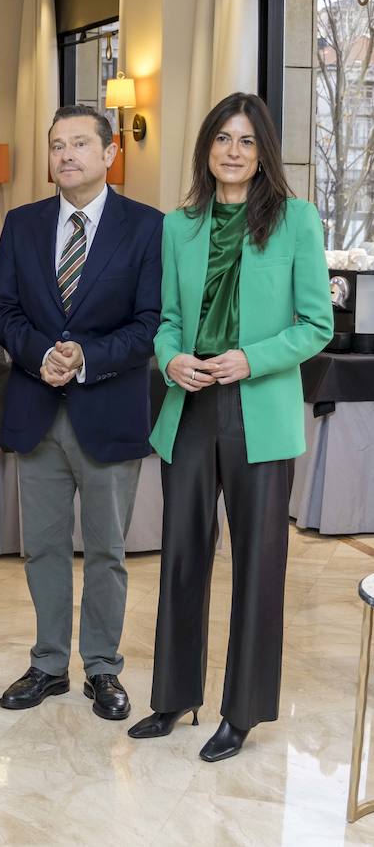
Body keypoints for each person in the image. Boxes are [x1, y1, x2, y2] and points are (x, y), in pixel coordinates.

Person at [129, 93, 332, 761]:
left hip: (260, 414)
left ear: (262, 150)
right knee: (182, 555)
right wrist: (172, 357)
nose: (233, 151)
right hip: (189, 409)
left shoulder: (296, 220)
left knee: (258, 566)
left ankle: (241, 712)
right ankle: (174, 695)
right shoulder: (179, 224)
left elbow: (315, 324)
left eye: (246, 140)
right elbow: (165, 321)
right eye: (222, 138)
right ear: (207, 148)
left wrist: (253, 358)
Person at [0, 105, 162, 721]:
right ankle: (48, 664)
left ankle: (104, 670)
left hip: (108, 408)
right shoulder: (23, 223)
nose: (66, 156)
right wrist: (40, 356)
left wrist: (86, 356)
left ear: (111, 153)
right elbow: (1, 307)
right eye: (56, 146)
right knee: (43, 547)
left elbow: (150, 324)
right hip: (38, 407)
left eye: (80, 144)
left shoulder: (146, 227)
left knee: (107, 549)